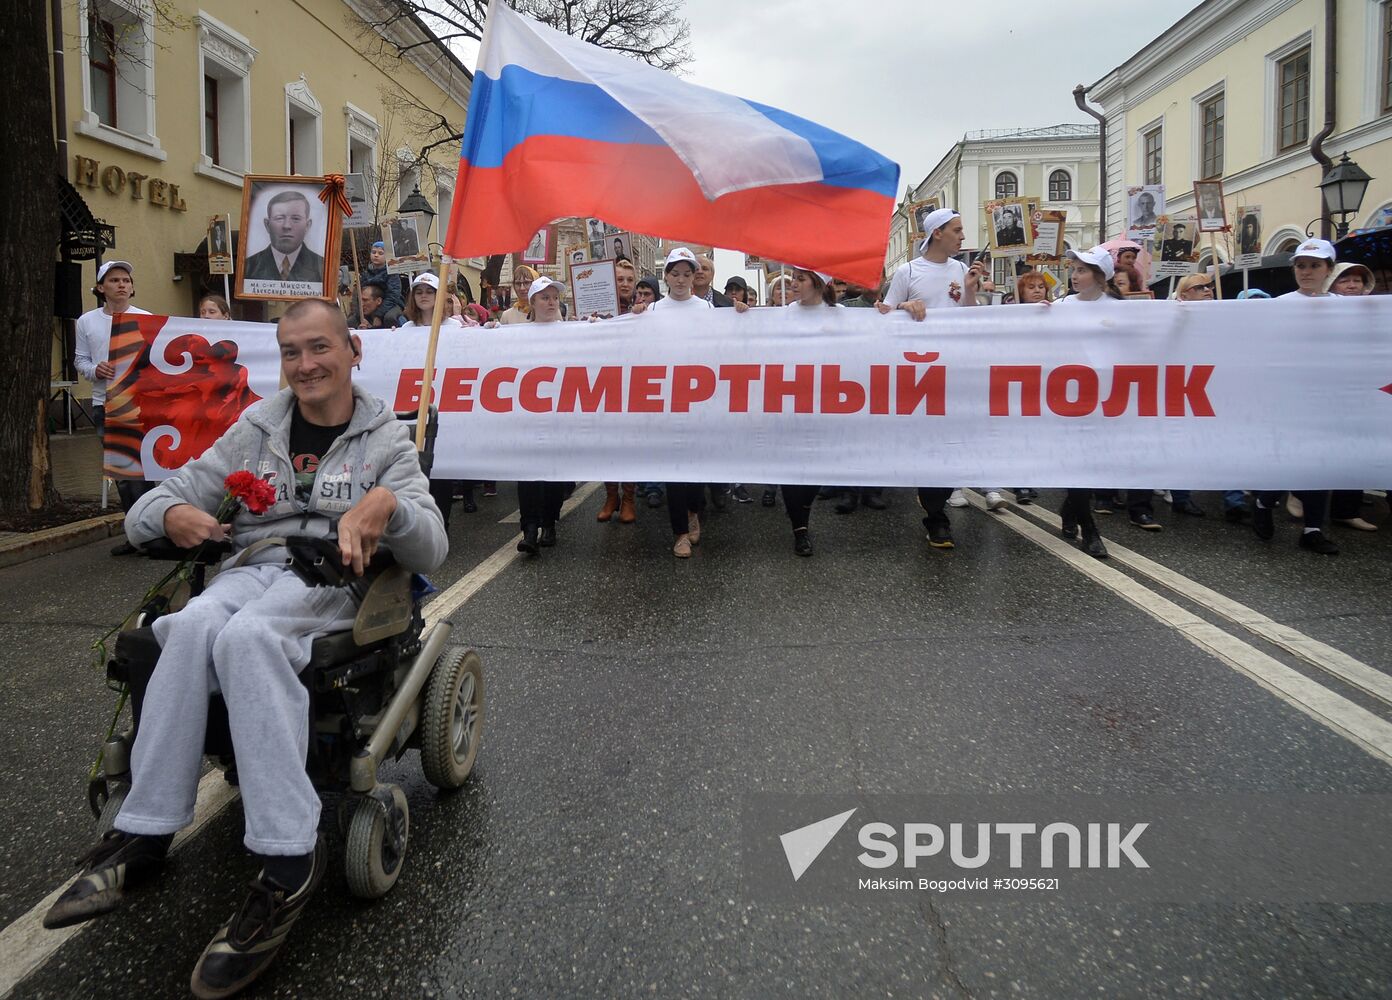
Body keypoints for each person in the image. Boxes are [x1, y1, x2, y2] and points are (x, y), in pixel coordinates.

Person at [44, 298, 447, 998]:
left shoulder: (387, 439)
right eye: (292, 352)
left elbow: (432, 543)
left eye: (319, 348)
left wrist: (387, 507)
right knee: (189, 627)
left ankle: (291, 858)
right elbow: (152, 505)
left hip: (334, 582)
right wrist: (170, 512)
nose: (306, 364)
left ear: (353, 349)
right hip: (255, 567)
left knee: (248, 637)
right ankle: (145, 829)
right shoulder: (255, 429)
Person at [879, 208, 990, 550]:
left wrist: (971, 292)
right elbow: (882, 315)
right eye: (957, 230)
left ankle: (933, 500)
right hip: (920, 373)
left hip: (956, 370)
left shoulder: (961, 269)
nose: (963, 236)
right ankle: (936, 517)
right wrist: (904, 308)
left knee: (952, 444)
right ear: (937, 233)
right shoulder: (908, 271)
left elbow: (970, 318)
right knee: (931, 445)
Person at [1253, 239, 1339, 554]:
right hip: (1287, 399)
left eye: (1315, 265)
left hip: (1326, 401)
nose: (1307, 272)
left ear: (1328, 269)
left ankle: (1313, 530)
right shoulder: (1280, 306)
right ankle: (1264, 502)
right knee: (1286, 459)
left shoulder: (1345, 308)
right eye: (1301, 266)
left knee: (1320, 464)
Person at [633, 248, 714, 557]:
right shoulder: (653, 311)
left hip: (698, 402)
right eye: (675, 274)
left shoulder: (707, 309)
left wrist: (741, 314)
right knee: (674, 468)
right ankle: (680, 531)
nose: (681, 280)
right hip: (665, 402)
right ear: (666, 276)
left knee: (694, 466)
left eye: (687, 274)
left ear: (695, 277)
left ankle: (694, 510)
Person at [74, 260, 154, 550]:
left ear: (132, 288)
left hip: (140, 404)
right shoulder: (87, 321)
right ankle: (136, 534)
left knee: (145, 470)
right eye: (114, 280)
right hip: (104, 404)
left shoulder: (146, 319)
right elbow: (80, 360)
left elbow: (156, 362)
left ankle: (154, 530)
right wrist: (97, 369)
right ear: (100, 288)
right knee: (121, 472)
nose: (121, 284)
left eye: (126, 280)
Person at [1050, 246, 1122, 558]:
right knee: (1077, 462)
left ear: (1099, 276)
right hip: (1069, 397)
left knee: (1094, 463)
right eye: (1074, 269)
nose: (1075, 276)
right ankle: (1090, 530)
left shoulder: (1117, 308)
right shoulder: (1062, 304)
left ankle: (1070, 508)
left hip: (1106, 396)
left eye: (1082, 270)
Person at [773, 268, 843, 555]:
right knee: (791, 466)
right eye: (793, 278)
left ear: (818, 283)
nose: (793, 283)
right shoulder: (784, 314)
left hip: (827, 403)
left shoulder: (839, 314)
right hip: (789, 402)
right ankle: (800, 529)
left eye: (800, 279)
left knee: (816, 466)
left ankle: (802, 507)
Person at [509, 276, 574, 554]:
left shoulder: (574, 332)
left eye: (554, 298)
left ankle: (549, 522)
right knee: (528, 472)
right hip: (527, 415)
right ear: (532, 302)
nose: (551, 302)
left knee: (553, 473)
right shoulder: (516, 333)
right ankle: (530, 528)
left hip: (558, 414)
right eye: (544, 297)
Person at [1323, 261, 1379, 532]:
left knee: (1357, 449)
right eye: (1346, 280)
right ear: (1332, 283)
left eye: (1357, 281)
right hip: (1329, 392)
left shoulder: (1376, 312)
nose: (1352, 285)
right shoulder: (1322, 309)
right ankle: (1300, 492)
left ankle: (1346, 508)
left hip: (1365, 390)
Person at [244, 190, 324, 283]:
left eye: (295, 218)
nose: (286, 226)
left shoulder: (324, 267)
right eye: (279, 218)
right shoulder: (248, 266)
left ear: (307, 225)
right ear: (267, 225)